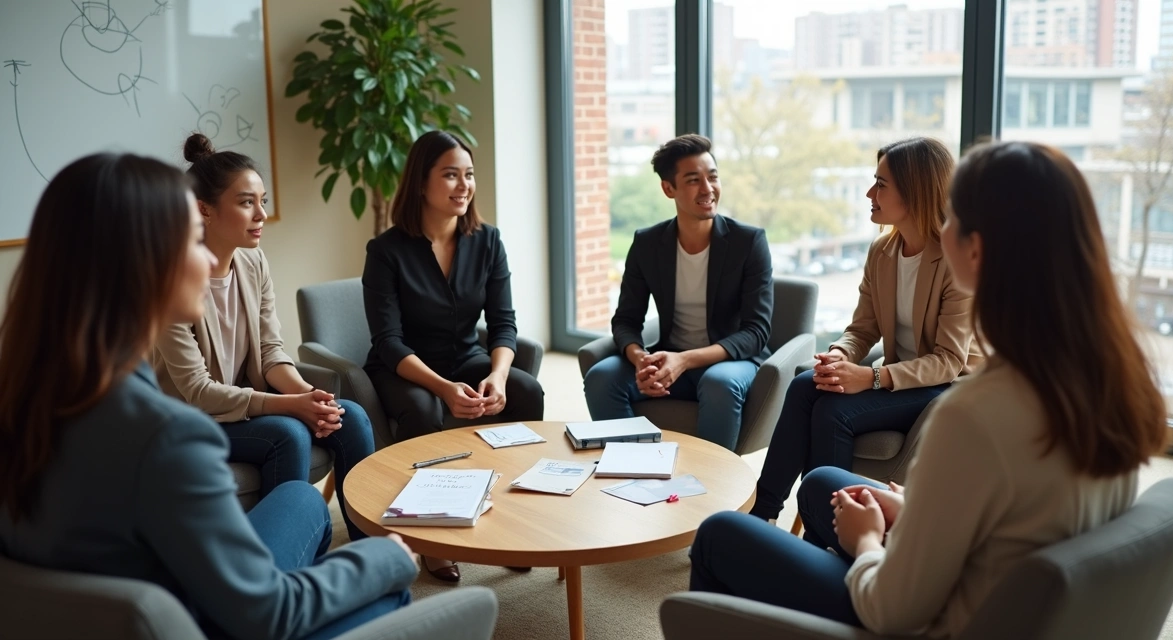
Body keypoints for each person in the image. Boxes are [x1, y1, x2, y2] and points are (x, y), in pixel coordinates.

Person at [687, 140, 1170, 637]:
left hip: (934, 619)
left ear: (975, 248)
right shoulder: (1108, 383)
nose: (945, 220)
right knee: (820, 480)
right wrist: (914, 507)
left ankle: (793, 553)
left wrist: (869, 541)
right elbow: (1012, 518)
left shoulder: (971, 417)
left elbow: (890, 610)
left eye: (954, 212)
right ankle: (779, 520)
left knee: (720, 534)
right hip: (983, 583)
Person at [0, 153, 419, 640]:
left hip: (144, 600)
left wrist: (307, 396)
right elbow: (266, 615)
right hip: (205, 621)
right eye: (190, 240)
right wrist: (385, 556)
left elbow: (270, 351)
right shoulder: (169, 438)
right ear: (145, 265)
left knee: (301, 498)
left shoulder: (24, 395)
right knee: (387, 586)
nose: (206, 257)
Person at [153, 134, 376, 541]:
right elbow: (198, 391)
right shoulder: (172, 280)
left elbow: (272, 351)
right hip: (190, 420)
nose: (261, 214)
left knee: (351, 418)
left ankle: (372, 551)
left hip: (246, 405)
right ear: (204, 210)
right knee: (287, 432)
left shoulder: (253, 262)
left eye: (263, 201)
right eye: (246, 203)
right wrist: (292, 407)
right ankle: (283, 568)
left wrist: (312, 398)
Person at [749, 137, 983, 522]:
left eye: (881, 184)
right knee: (806, 384)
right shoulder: (883, 252)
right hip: (898, 377)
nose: (869, 192)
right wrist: (838, 357)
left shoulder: (955, 259)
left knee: (833, 412)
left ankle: (828, 531)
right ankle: (765, 513)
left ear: (916, 191)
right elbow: (862, 328)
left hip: (949, 387)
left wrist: (871, 377)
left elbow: (949, 361)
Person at [363, 129, 544, 581]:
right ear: (421, 183)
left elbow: (504, 324)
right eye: (450, 175)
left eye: (469, 174)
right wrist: (443, 388)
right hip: (403, 367)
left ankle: (509, 517)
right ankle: (431, 534)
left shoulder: (487, 240)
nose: (463, 185)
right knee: (424, 408)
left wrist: (499, 376)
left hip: (467, 357)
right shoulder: (385, 251)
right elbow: (388, 340)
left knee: (527, 391)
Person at [583, 134, 774, 452]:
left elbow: (756, 332)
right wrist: (640, 359)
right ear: (668, 188)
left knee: (719, 384)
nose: (708, 189)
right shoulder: (648, 243)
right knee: (601, 377)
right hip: (670, 358)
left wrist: (683, 360)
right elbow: (626, 320)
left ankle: (713, 488)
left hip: (729, 362)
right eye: (693, 180)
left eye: (712, 177)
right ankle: (635, 468)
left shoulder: (748, 242)